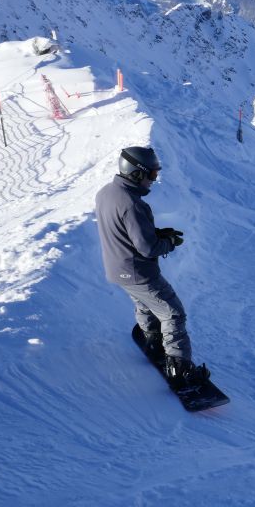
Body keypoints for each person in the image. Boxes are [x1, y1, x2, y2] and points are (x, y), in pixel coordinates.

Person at [94, 146, 209, 387]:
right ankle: (179, 368)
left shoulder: (106, 193)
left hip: (117, 268)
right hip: (138, 271)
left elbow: (124, 231)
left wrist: (155, 233)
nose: (154, 181)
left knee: (144, 303)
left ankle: (153, 339)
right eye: (152, 175)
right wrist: (167, 242)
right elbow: (147, 249)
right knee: (173, 313)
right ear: (137, 173)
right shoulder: (133, 204)